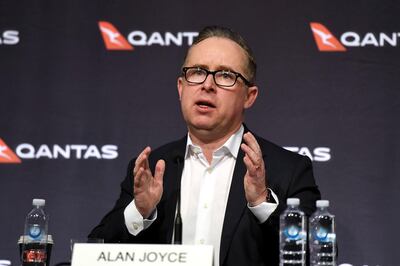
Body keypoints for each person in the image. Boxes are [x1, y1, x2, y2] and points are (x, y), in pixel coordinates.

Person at [89, 25, 321, 266]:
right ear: (181, 87)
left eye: (225, 75)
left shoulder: (287, 170)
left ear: (249, 96)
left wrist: (262, 202)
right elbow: (96, 248)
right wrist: (140, 212)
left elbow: (317, 254)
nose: (207, 85)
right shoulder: (153, 169)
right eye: (197, 72)